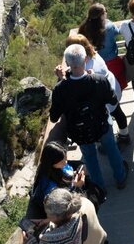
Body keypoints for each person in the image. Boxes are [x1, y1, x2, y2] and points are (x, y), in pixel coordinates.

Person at [50, 44, 128, 190]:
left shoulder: (61, 89)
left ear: (67, 64)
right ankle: (121, 177)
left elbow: (54, 116)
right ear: (85, 59)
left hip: (80, 131)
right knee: (112, 149)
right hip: (101, 125)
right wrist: (93, 77)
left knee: (90, 157)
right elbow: (112, 100)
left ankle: (99, 188)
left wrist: (62, 81)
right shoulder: (99, 80)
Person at [66, 33, 131, 146]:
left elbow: (80, 83)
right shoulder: (94, 55)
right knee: (118, 112)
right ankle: (124, 135)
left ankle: (106, 144)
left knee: (104, 119)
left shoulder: (85, 67)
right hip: (111, 87)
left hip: (101, 96)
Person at [25, 141, 89, 222]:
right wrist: (77, 187)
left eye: (65, 158)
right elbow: (61, 205)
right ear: (52, 163)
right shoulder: (49, 187)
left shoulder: (58, 167)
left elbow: (68, 170)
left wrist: (78, 171)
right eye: (62, 161)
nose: (66, 162)